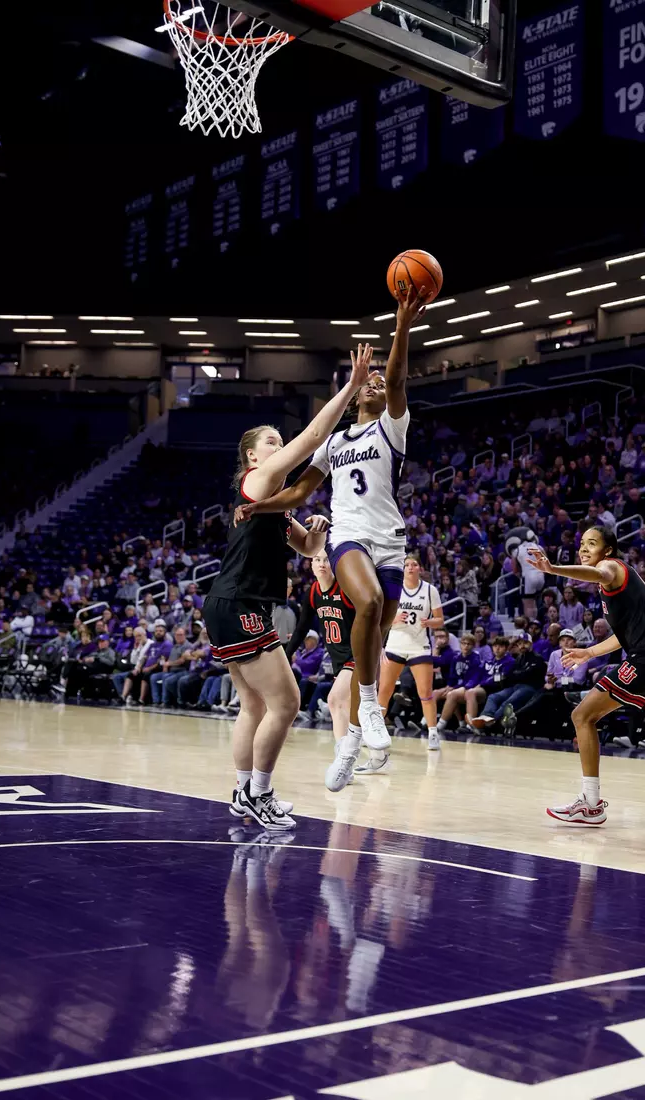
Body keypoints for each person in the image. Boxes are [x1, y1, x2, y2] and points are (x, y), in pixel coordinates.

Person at [232, 289, 426, 769]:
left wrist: (402, 323)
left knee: (374, 636)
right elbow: (299, 494)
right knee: (371, 603)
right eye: (372, 380)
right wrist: (260, 507)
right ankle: (367, 706)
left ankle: (351, 741)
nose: (379, 382)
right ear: (357, 394)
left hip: (389, 540)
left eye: (383, 382)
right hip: (347, 536)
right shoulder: (336, 440)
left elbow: (400, 375)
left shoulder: (391, 429)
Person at [204, 345, 375, 832]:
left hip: (229, 602)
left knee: (254, 705)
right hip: (239, 603)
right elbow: (315, 435)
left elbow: (307, 548)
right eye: (273, 443)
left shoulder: (274, 506)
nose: (281, 448)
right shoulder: (259, 481)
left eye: (281, 442)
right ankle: (260, 793)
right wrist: (351, 385)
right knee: (288, 702)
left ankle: (242, 790)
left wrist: (317, 529)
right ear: (252, 457)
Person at [527, 526, 645, 824]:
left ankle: (591, 803)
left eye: (591, 544)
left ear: (607, 550)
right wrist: (589, 652)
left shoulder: (611, 567)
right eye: (582, 544)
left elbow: (600, 573)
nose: (584, 548)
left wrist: (552, 568)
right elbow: (623, 635)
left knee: (582, 716)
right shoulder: (623, 584)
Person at [286, 550, 358, 791]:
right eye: (317, 559)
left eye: (326, 559)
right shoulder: (314, 592)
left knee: (334, 699)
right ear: (311, 564)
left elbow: (371, 617)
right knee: (343, 709)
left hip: (357, 655)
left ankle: (344, 762)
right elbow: (301, 627)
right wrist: (286, 655)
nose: (322, 564)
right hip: (339, 660)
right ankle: (346, 762)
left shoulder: (346, 588)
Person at [378, 556, 444, 753]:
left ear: (420, 568)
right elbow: (381, 617)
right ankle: (376, 731)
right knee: (385, 691)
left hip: (419, 646)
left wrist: (429, 622)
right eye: (407, 565)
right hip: (395, 644)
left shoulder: (430, 590)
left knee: (425, 692)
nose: (410, 567)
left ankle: (433, 733)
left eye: (414, 564)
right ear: (402, 568)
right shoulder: (393, 589)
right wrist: (394, 618)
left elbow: (440, 620)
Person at [468, 635, 546, 731]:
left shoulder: (537, 658)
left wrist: (518, 674)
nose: (522, 646)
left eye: (525, 643)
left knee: (508, 702)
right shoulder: (519, 658)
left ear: (531, 644)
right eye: (520, 643)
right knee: (493, 697)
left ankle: (488, 723)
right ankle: (485, 717)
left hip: (530, 688)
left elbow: (526, 675)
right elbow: (512, 676)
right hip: (516, 686)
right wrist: (520, 674)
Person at [433, 633, 483, 732]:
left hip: (469, 686)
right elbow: (452, 676)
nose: (466, 646)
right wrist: (449, 686)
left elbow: (472, 679)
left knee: (452, 694)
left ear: (473, 646)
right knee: (435, 693)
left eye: (469, 644)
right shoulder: (456, 657)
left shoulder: (476, 658)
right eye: (463, 643)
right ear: (460, 644)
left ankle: (440, 726)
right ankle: (426, 722)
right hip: (457, 686)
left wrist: (455, 687)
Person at [464, 634, 514, 726]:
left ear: (506, 648)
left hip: (495, 689)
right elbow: (477, 674)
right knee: (453, 694)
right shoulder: (488, 661)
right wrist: (469, 686)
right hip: (482, 687)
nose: (497, 649)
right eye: (495, 646)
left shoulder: (510, 662)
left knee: (471, 693)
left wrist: (482, 684)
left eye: (501, 646)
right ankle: (442, 724)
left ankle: (470, 726)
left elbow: (500, 677)